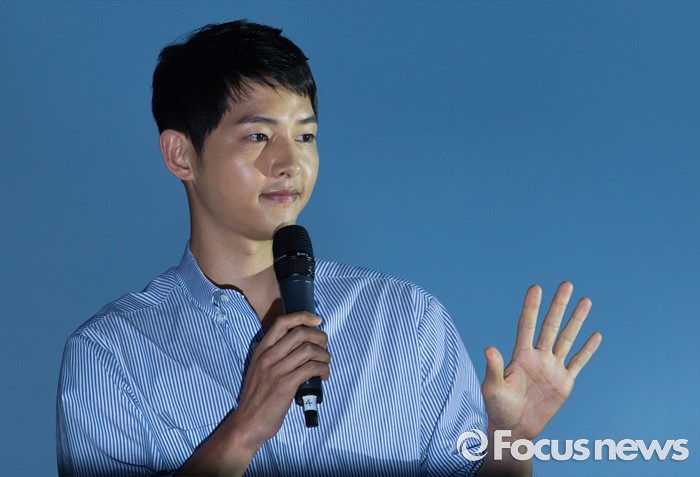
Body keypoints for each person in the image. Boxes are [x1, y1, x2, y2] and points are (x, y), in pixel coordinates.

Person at [56, 20, 602, 477]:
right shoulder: (110, 354)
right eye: (257, 136)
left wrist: (512, 443)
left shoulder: (407, 320)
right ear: (181, 155)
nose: (289, 163)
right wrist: (244, 429)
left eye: (305, 136)